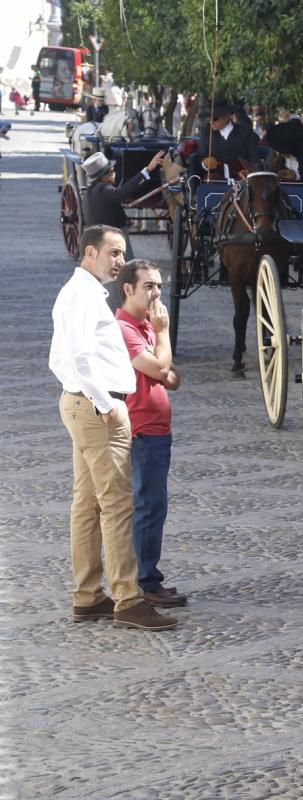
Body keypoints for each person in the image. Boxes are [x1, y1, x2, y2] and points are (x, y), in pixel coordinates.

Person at [49, 225, 179, 632]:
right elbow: (80, 356)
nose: (121, 261)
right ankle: (128, 599)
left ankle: (88, 596)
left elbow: (59, 359)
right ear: (91, 253)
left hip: (81, 402)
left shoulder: (79, 292)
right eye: (115, 253)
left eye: (123, 253)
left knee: (86, 505)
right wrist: (105, 406)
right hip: (97, 406)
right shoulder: (84, 295)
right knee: (118, 506)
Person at [115, 260, 187, 608]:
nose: (156, 292)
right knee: (148, 506)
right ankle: (144, 581)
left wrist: (162, 365)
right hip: (143, 430)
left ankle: (148, 577)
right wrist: (162, 334)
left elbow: (173, 378)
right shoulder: (126, 329)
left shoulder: (145, 325)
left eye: (158, 285)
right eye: (148, 286)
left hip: (158, 429)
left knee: (155, 506)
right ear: (128, 288)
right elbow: (161, 367)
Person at [81, 149, 166, 264]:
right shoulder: (104, 189)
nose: (115, 174)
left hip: (99, 238)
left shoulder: (90, 192)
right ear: (106, 176)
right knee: (128, 267)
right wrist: (148, 169)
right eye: (112, 171)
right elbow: (123, 192)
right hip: (113, 236)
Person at [191, 97, 261, 180]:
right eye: (209, 119)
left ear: (227, 116)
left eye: (214, 118)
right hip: (215, 183)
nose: (211, 122)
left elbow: (255, 160)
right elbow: (199, 159)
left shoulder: (246, 133)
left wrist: (249, 171)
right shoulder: (206, 134)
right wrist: (205, 164)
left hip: (242, 182)